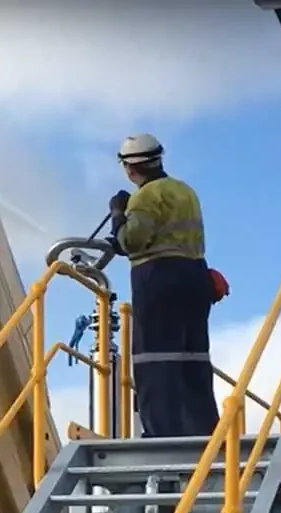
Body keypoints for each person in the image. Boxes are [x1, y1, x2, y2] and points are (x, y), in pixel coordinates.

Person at [107, 133, 221, 439]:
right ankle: (202, 430)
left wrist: (119, 213)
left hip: (158, 280)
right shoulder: (185, 191)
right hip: (195, 277)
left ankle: (161, 432)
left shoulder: (145, 197)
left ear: (130, 168)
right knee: (192, 358)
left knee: (154, 359)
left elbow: (132, 241)